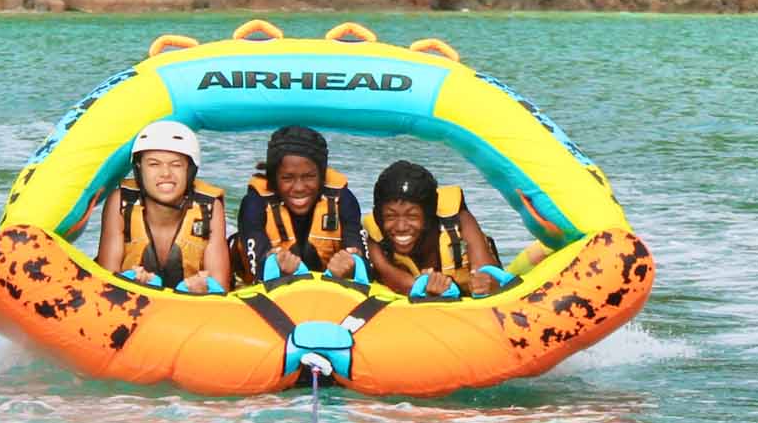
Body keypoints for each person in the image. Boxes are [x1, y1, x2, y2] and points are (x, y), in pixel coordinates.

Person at [95, 121, 231, 292]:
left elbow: (220, 288)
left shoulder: (209, 208)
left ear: (189, 170)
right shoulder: (121, 202)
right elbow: (106, 281)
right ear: (139, 168)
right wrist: (132, 286)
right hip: (131, 304)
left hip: (192, 306)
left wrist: (202, 291)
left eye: (176, 164)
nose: (166, 173)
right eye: (153, 164)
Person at [236, 125, 365, 284]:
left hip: (330, 290)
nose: (299, 188)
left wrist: (351, 266)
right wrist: (276, 268)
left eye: (309, 176)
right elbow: (257, 272)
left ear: (322, 175)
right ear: (274, 177)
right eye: (287, 178)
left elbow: (364, 266)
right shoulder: (254, 204)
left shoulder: (344, 200)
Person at [365, 160, 506, 297]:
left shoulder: (460, 221)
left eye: (412, 216)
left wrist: (483, 283)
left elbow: (487, 272)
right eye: (390, 216)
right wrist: (430, 288)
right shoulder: (376, 241)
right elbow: (407, 286)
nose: (401, 227)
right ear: (379, 217)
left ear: (428, 215)